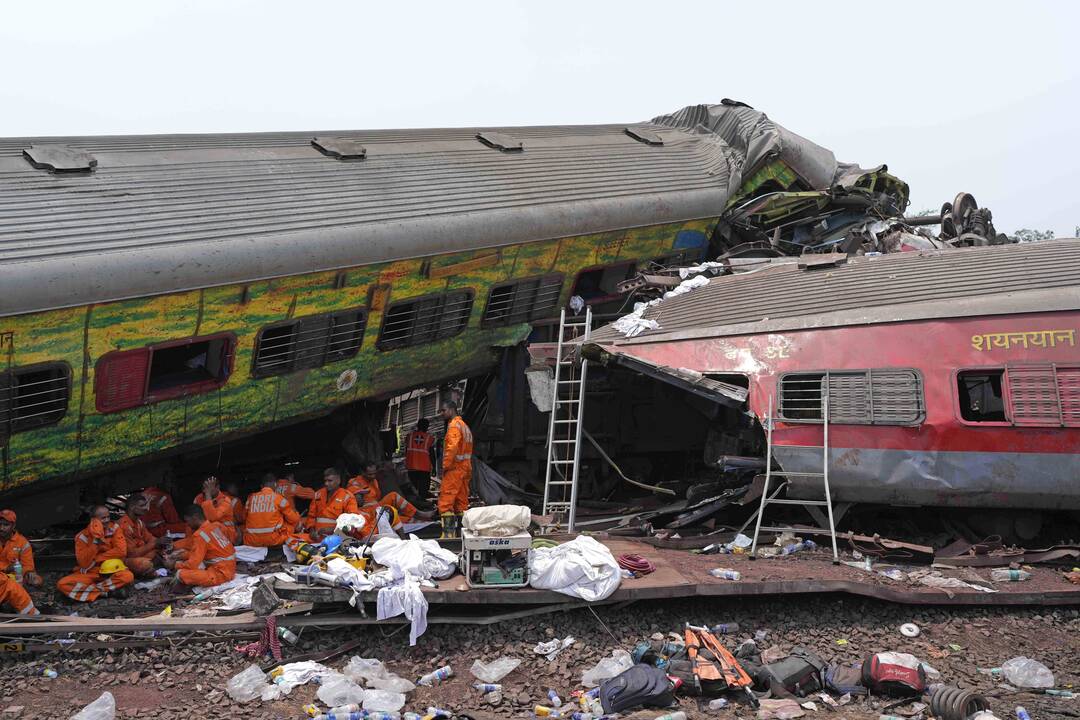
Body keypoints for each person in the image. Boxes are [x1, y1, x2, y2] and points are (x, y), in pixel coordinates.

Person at [57, 506, 135, 602]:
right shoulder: (81, 537)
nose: (107, 520)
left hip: (111, 572)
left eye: (108, 517)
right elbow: (84, 564)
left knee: (127, 576)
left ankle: (87, 591)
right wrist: (95, 541)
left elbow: (121, 551)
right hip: (91, 572)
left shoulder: (114, 528)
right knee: (62, 584)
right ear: (93, 520)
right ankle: (107, 592)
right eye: (103, 518)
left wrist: (96, 559)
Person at [165, 505, 236, 588]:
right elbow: (200, 552)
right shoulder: (215, 526)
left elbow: (192, 564)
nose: (187, 524)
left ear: (194, 518)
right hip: (229, 568)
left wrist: (174, 565)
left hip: (220, 574)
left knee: (181, 573)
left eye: (187, 521)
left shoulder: (200, 535)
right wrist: (179, 556)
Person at [347, 461, 430, 528]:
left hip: (377, 509)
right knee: (393, 499)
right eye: (370, 474)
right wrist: (358, 494)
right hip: (366, 512)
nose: (372, 476)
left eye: (374, 473)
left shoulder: (374, 481)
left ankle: (424, 520)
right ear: (362, 472)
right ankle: (418, 513)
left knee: (401, 516)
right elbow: (354, 495)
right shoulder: (355, 481)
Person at [437, 401, 473, 538]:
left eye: (443, 410)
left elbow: (452, 448)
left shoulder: (453, 426)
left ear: (452, 410)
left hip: (454, 468)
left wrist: (445, 466)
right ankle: (462, 534)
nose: (441, 413)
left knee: (446, 501)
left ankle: (448, 535)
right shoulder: (464, 426)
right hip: (465, 468)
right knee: (461, 503)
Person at [243, 475, 300, 547]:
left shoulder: (250, 498)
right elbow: (294, 520)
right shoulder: (279, 498)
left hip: (252, 540)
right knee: (291, 524)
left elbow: (243, 518)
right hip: (273, 540)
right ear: (275, 484)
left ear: (262, 486)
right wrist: (296, 513)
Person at [304, 468, 358, 541]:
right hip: (316, 537)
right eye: (325, 481)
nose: (326, 483)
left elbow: (352, 522)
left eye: (330, 481)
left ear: (338, 481)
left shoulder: (347, 497)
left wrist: (333, 529)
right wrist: (311, 530)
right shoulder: (318, 494)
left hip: (337, 538)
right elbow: (311, 516)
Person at [117, 494, 158, 577]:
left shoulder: (139, 522)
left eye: (145, 505)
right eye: (142, 506)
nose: (146, 508)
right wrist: (154, 544)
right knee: (146, 564)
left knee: (163, 550)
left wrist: (158, 542)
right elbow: (132, 554)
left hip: (140, 554)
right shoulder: (123, 526)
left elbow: (150, 538)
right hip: (127, 559)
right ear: (132, 507)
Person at [0, 509, 42, 587]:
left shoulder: (22, 542)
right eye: (0, 524)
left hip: (14, 575)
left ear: (13, 526)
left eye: (6, 525)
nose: (1, 528)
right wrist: (6, 568)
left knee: (36, 580)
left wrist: (28, 573)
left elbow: (28, 564)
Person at [193, 475, 240, 543]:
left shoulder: (225, 500)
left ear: (218, 487)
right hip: (206, 533)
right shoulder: (198, 498)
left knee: (213, 525)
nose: (205, 490)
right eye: (204, 487)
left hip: (226, 535)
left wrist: (208, 495)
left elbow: (211, 517)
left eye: (209, 488)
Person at [404, 419, 437, 509]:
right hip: (424, 468)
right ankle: (422, 506)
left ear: (417, 426)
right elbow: (432, 454)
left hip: (411, 467)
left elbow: (406, 451)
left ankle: (413, 506)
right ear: (426, 427)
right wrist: (434, 467)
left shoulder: (409, 437)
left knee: (413, 488)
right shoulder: (429, 438)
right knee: (423, 490)